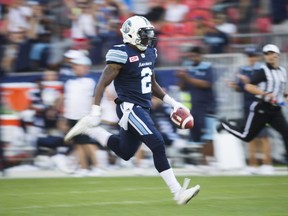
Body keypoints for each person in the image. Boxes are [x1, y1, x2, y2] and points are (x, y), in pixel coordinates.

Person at [64, 15, 200, 204]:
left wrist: (173, 102)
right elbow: (102, 82)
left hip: (143, 108)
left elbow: (150, 82)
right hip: (130, 108)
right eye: (144, 34)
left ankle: (91, 129)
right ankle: (177, 192)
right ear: (131, 35)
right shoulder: (121, 53)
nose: (149, 38)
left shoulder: (150, 52)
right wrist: (95, 109)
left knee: (125, 152)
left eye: (149, 34)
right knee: (157, 143)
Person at [218, 44, 288, 163]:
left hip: (275, 109)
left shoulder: (282, 71)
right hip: (261, 108)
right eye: (267, 54)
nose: (270, 56)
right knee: (247, 136)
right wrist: (265, 94)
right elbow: (249, 86)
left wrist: (285, 98)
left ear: (277, 55)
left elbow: (282, 91)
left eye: (272, 53)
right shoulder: (263, 71)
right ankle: (225, 125)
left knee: (286, 132)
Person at [227, 47, 273, 174]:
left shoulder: (263, 70)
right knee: (250, 136)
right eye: (249, 56)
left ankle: (267, 164)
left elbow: (265, 87)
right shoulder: (243, 70)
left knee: (264, 136)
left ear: (257, 57)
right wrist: (234, 86)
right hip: (247, 106)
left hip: (261, 105)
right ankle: (252, 164)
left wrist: (249, 82)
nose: (251, 58)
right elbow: (240, 89)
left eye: (253, 56)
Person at [176, 46, 216, 165]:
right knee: (199, 134)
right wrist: (181, 78)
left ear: (200, 56)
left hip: (208, 106)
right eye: (191, 56)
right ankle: (203, 162)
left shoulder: (207, 67)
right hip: (196, 106)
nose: (192, 58)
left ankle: (210, 161)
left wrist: (187, 77)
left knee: (208, 135)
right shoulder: (188, 69)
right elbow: (183, 88)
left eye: (194, 55)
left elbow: (206, 84)